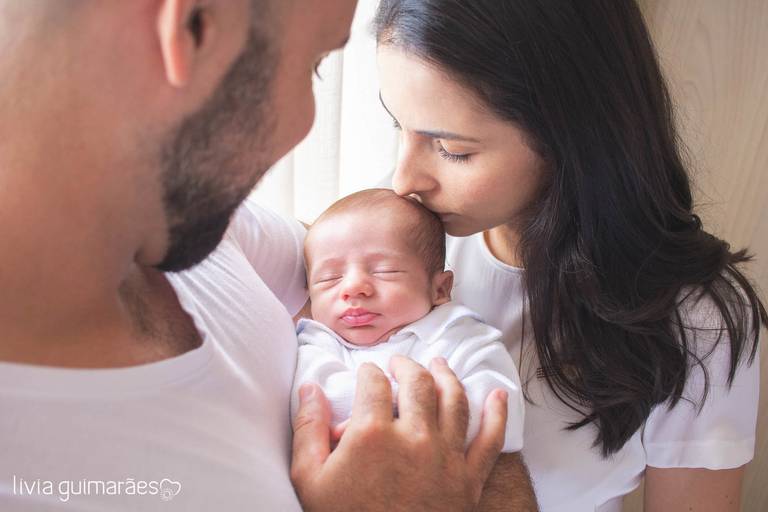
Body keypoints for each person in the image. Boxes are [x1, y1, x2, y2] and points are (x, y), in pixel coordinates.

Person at [0, 1, 531, 511]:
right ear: (191, 28)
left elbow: (370, 250)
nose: (306, 122)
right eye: (312, 65)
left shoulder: (207, 225)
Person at [373, 0, 767, 511]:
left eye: (453, 150)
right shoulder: (389, 237)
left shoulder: (696, 321)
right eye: (396, 125)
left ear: (569, 133)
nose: (403, 180)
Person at [291, 189, 524, 452]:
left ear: (440, 289)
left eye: (384, 271)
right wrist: (420, 404)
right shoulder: (318, 342)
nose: (353, 287)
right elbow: (312, 406)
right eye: (330, 278)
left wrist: (385, 412)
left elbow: (501, 419)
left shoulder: (461, 336)